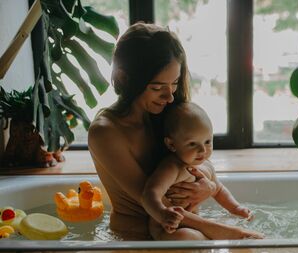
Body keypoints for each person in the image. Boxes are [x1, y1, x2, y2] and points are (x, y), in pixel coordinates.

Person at [88, 22, 263, 240]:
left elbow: (196, 158)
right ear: (124, 78)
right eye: (157, 87)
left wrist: (208, 186)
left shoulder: (168, 113)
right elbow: (154, 201)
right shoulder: (106, 132)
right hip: (137, 239)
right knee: (192, 241)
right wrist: (228, 232)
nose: (169, 96)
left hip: (190, 227)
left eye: (174, 84)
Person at [143, 102, 261, 240]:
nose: (202, 150)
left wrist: (235, 208)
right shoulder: (171, 167)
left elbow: (218, 189)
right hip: (167, 228)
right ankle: (222, 236)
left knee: (200, 236)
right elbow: (150, 194)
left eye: (207, 142)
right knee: (188, 237)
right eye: (192, 144)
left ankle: (219, 236)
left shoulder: (206, 165)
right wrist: (162, 214)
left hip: (194, 222)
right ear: (171, 144)